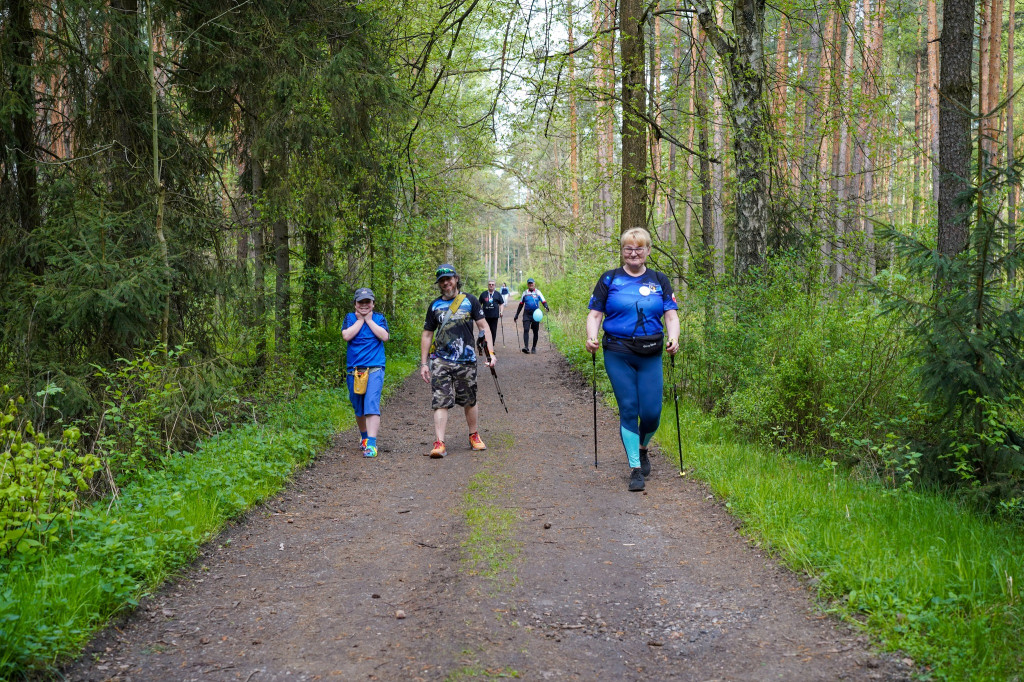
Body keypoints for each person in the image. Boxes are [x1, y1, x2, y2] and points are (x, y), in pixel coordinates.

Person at [585, 228, 680, 492]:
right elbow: (595, 315)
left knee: (651, 414)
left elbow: (671, 316)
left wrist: (674, 339)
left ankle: (643, 446)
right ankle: (635, 468)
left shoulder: (659, 280)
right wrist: (592, 337)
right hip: (617, 352)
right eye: (628, 248)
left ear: (648, 250)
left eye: (639, 248)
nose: (634, 253)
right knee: (629, 408)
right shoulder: (609, 279)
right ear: (622, 251)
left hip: (651, 353)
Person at [420, 264, 497, 458]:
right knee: (440, 402)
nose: (446, 283)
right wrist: (424, 363)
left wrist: (491, 353)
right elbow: (427, 335)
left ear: (456, 278)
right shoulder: (434, 306)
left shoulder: (470, 300)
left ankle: (474, 435)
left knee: (469, 400)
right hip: (440, 360)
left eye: (449, 278)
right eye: (442, 281)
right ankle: (439, 443)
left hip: (466, 360)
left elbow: (483, 326)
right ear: (439, 284)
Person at [342, 287, 390, 458]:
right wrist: (360, 321)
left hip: (375, 368)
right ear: (355, 304)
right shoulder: (349, 318)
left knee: (371, 404)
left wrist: (369, 321)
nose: (364, 305)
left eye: (367, 302)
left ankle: (371, 442)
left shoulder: (379, 318)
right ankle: (363, 437)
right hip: (354, 370)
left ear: (373, 304)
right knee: (358, 406)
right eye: (360, 302)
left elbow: (384, 336)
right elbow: (347, 336)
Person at [513, 277, 549, 354]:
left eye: (532, 283)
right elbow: (521, 304)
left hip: (536, 314)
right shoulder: (525, 293)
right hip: (527, 314)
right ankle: (526, 347)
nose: (530, 284)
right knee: (526, 329)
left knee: (535, 331)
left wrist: (546, 307)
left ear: (534, 284)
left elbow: (543, 301)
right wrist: (517, 314)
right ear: (527, 284)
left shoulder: (538, 292)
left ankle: (533, 347)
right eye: (529, 283)